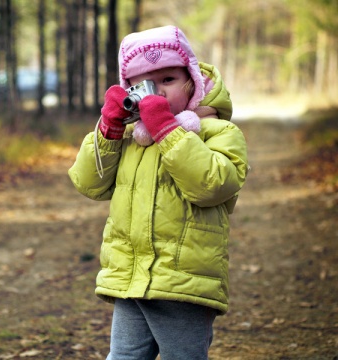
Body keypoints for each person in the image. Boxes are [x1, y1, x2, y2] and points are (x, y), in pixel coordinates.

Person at [68, 25, 248, 360]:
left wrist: (167, 130)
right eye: (144, 84)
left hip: (183, 280)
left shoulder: (218, 132)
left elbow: (211, 186)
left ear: (192, 80)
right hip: (131, 274)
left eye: (168, 80)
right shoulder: (132, 135)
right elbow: (89, 183)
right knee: (123, 356)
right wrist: (108, 130)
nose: (157, 93)